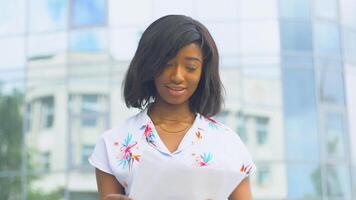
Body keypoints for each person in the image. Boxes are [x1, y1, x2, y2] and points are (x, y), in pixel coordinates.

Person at [89, 15, 256, 200]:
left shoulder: (228, 143)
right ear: (149, 65)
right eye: (167, 64)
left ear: (203, 71)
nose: (177, 76)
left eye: (191, 67)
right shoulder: (113, 143)